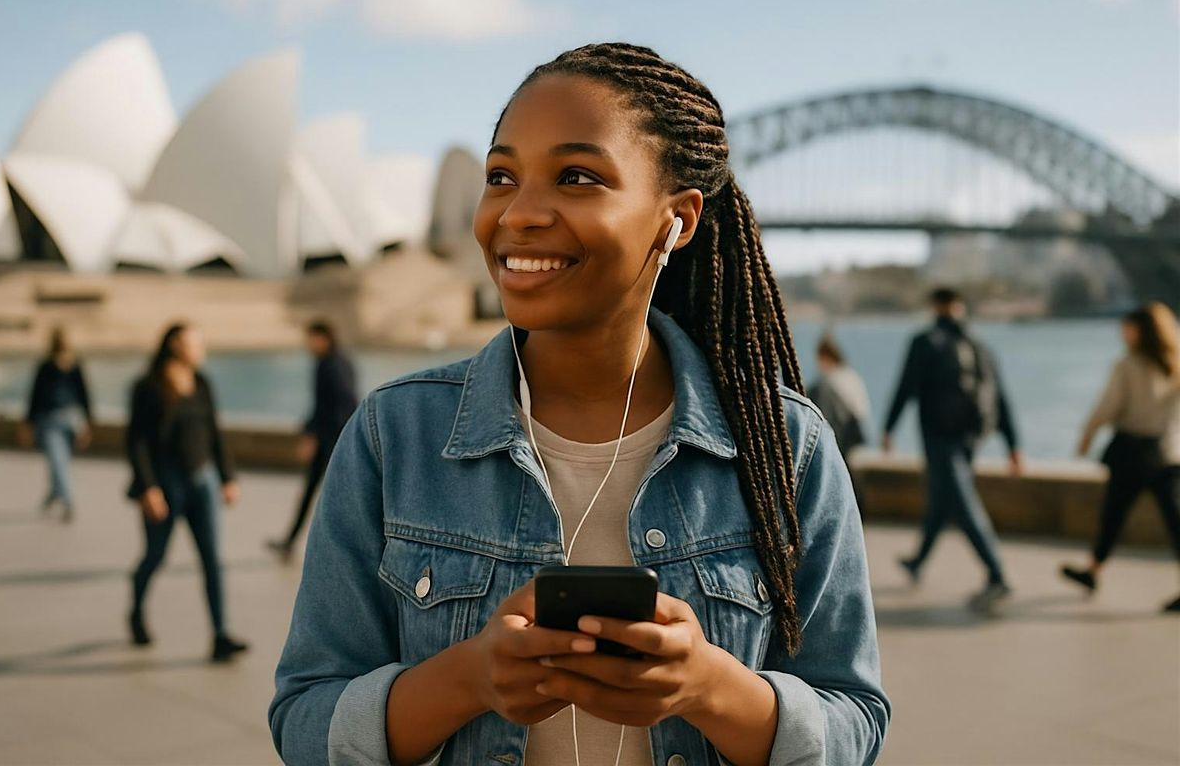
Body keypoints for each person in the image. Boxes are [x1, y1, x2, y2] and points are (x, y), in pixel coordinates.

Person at [271, 43, 889, 766]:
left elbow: (856, 723)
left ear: (677, 220)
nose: (520, 213)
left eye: (576, 176)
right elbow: (305, 721)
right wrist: (468, 678)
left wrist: (708, 688)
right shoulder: (395, 436)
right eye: (501, 175)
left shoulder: (787, 446)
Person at [882, 287, 1022, 610]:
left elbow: (905, 387)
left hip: (938, 437)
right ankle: (918, 561)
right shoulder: (980, 344)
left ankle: (998, 574)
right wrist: (1013, 444)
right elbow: (1000, 398)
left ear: (936, 307)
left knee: (962, 502)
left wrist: (889, 427)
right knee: (943, 497)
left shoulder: (925, 342)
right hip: (973, 438)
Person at [125, 322, 249, 662]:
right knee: (155, 556)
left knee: (212, 559)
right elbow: (136, 442)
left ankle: (220, 635)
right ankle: (135, 610)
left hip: (203, 480)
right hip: (165, 484)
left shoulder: (202, 382)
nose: (201, 348)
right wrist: (148, 487)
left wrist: (227, 477)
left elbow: (214, 431)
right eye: (196, 343)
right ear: (177, 345)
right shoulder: (148, 387)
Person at [1061, 302, 1180, 613]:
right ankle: (1092, 571)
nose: (1122, 333)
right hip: (1167, 453)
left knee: (1113, 516)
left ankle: (1092, 571)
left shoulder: (1127, 365)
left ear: (1140, 331)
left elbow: (1108, 406)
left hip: (1132, 453)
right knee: (1175, 522)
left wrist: (1087, 435)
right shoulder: (1175, 363)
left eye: (1127, 327)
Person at [267, 320, 359, 562]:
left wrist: (312, 435)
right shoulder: (342, 362)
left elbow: (334, 405)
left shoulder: (329, 366)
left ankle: (343, 549)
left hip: (331, 440)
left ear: (324, 338)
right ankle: (291, 541)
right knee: (316, 493)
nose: (308, 345)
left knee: (332, 496)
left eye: (311, 339)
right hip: (335, 438)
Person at [19, 327, 93, 523]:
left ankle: (55, 493)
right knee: (58, 461)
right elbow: (34, 397)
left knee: (60, 461)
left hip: (72, 420)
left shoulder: (75, 365)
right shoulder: (46, 366)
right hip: (51, 420)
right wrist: (28, 424)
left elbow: (85, 396)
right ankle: (67, 500)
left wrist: (88, 424)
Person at [809, 333, 871, 518]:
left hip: (842, 432)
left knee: (839, 473)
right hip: (856, 430)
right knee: (846, 471)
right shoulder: (851, 375)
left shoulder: (830, 381)